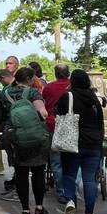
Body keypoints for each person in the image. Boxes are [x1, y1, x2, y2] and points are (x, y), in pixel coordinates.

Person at [55, 69, 105, 214]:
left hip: (72, 142)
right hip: (93, 143)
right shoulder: (94, 99)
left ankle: (70, 201)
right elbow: (100, 123)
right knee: (89, 179)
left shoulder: (67, 96)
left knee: (69, 175)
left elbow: (58, 113)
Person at [0, 67, 50, 214]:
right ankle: (39, 208)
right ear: (29, 79)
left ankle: (25, 211)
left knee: (21, 173)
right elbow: (43, 113)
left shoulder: (6, 92)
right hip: (34, 138)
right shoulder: (33, 92)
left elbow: (2, 115)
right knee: (38, 172)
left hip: (14, 137)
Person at [42, 64, 72, 204]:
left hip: (52, 123)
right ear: (68, 73)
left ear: (55, 73)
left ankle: (60, 192)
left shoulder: (48, 88)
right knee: (72, 160)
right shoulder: (72, 86)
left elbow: (45, 104)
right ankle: (72, 190)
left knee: (56, 161)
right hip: (70, 125)